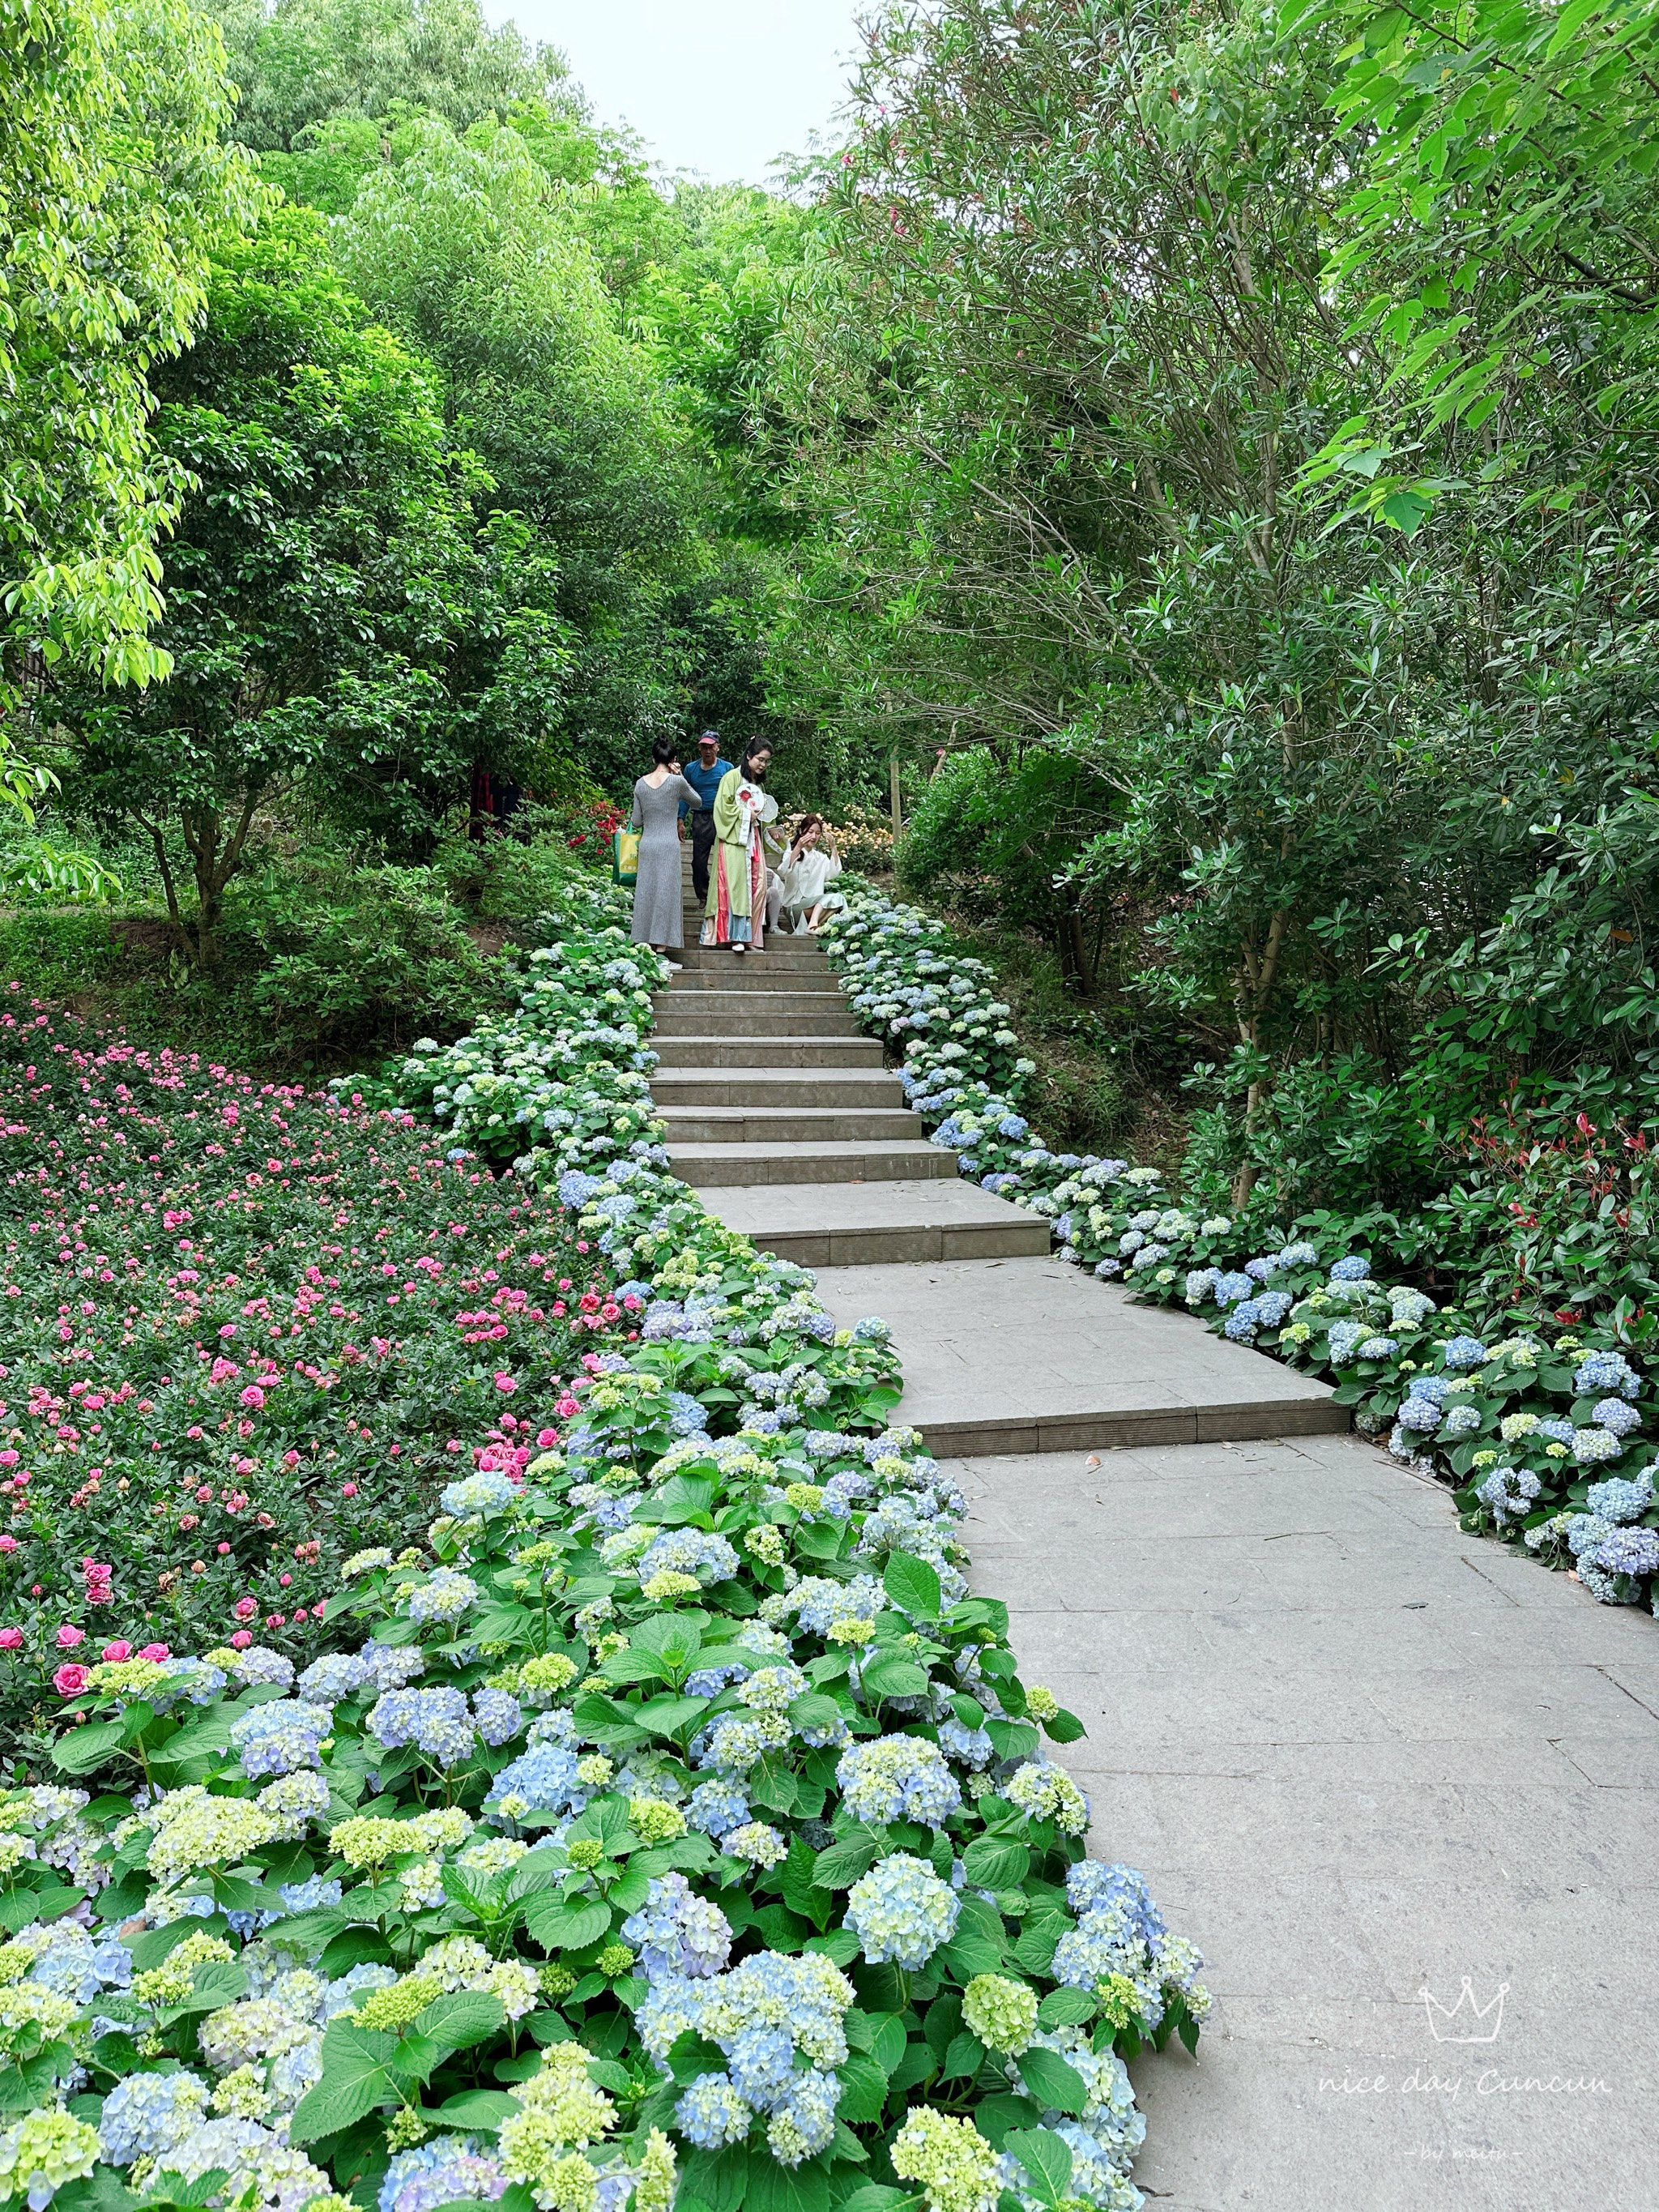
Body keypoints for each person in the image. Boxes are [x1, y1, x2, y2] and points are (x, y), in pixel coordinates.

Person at [704, 740, 778, 954]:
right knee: (734, 887)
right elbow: (721, 809)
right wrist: (746, 814)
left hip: (752, 838)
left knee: (759, 885)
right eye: (760, 759)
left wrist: (771, 828)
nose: (763, 765)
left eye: (766, 762)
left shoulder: (758, 785)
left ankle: (752, 937)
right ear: (749, 756)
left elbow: (763, 811)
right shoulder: (731, 778)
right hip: (734, 841)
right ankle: (734, 936)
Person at [629, 738, 698, 955]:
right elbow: (697, 801)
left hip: (648, 844)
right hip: (668, 845)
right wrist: (681, 777)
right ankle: (661, 946)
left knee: (646, 891)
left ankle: (644, 942)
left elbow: (637, 821)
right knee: (666, 893)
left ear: (653, 758)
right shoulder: (676, 782)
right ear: (673, 760)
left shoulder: (640, 784)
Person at [679, 729, 733, 906]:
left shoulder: (727, 768)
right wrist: (680, 819)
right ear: (699, 748)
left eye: (711, 746)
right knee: (699, 863)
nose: (707, 750)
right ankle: (704, 895)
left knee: (725, 859)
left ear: (718, 747)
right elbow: (685, 796)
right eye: (704, 747)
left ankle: (723, 897)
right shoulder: (691, 769)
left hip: (722, 818)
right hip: (700, 819)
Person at [777, 814, 845, 932]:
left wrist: (833, 848)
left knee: (839, 899)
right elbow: (783, 871)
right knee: (826, 901)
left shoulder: (820, 858)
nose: (814, 837)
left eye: (818, 833)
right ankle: (814, 925)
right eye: (810, 832)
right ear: (801, 831)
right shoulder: (791, 852)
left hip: (815, 907)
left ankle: (812, 925)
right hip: (794, 907)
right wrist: (798, 848)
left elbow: (833, 873)